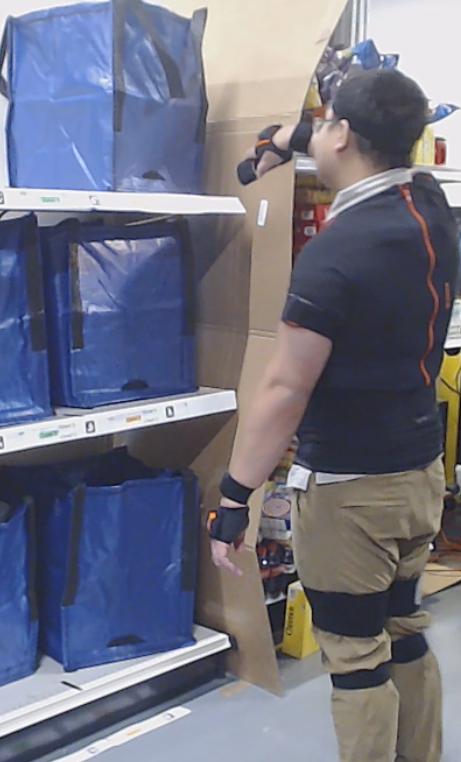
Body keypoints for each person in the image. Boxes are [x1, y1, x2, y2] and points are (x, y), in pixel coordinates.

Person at [206, 68, 459, 762]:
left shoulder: (335, 255)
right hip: (416, 478)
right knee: (402, 627)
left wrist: (233, 500)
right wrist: (279, 140)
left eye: (326, 120)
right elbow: (339, 138)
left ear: (343, 133)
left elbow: (283, 389)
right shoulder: (428, 207)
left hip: (349, 495)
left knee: (355, 657)